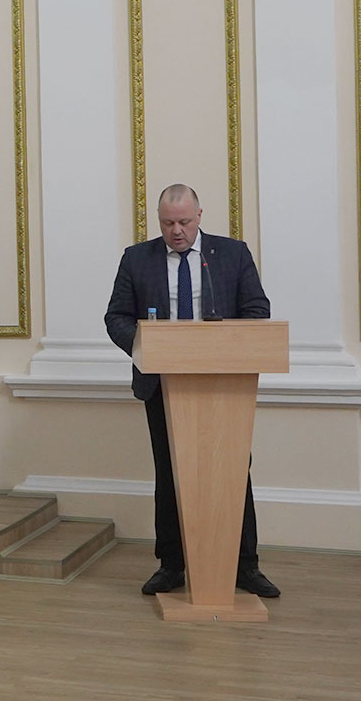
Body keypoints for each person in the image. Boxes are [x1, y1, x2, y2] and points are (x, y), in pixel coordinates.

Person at [104, 183, 279, 599]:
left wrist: (223, 344)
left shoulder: (232, 254)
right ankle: (171, 565)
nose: (176, 231)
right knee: (170, 473)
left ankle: (245, 566)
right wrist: (146, 348)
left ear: (200, 216)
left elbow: (257, 311)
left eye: (183, 222)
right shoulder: (137, 258)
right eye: (167, 223)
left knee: (233, 474)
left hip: (223, 389)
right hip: (162, 384)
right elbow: (116, 317)